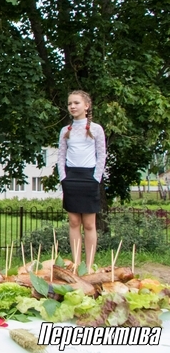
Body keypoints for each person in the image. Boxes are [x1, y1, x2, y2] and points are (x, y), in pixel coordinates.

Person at [57, 90, 106, 272]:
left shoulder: (96, 129)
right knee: (74, 222)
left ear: (86, 106)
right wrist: (64, 178)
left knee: (89, 224)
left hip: (89, 177)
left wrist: (96, 178)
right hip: (71, 178)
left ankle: (89, 264)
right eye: (70, 103)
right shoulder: (65, 131)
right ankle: (77, 264)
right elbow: (61, 157)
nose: (72, 106)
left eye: (76, 103)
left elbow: (101, 155)